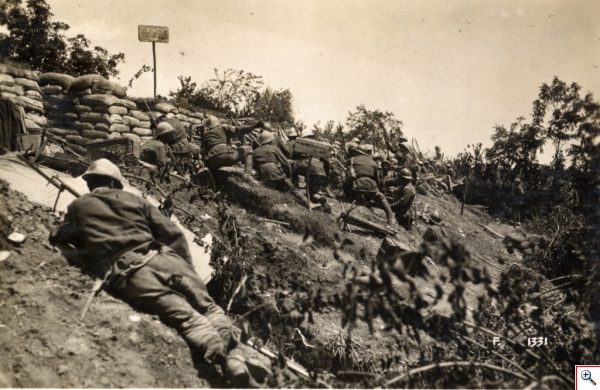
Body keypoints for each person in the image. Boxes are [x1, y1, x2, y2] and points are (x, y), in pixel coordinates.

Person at [49, 159, 260, 386]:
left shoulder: (79, 206)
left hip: (133, 273)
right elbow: (173, 234)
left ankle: (224, 362)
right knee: (209, 309)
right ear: (114, 183)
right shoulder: (133, 199)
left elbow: (59, 236)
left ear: (90, 183)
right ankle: (237, 356)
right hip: (166, 261)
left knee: (189, 321)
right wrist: (186, 269)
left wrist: (61, 227)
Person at [253, 131, 310, 207]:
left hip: (262, 175)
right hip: (274, 172)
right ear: (271, 140)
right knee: (292, 188)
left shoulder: (255, 151)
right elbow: (286, 162)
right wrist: (288, 175)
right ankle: (308, 203)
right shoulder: (274, 148)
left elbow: (254, 166)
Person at [343, 143, 394, 224]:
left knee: (347, 180)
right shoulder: (373, 163)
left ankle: (353, 196)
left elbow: (345, 169)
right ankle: (390, 215)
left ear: (357, 152)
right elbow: (377, 180)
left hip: (355, 185)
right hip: (371, 186)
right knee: (382, 197)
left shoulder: (352, 160)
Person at [201, 115, 262, 183]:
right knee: (248, 149)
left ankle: (211, 173)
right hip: (225, 153)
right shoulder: (222, 128)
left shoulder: (205, 135)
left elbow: (204, 152)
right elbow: (239, 129)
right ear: (217, 123)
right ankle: (247, 175)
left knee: (213, 166)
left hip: (212, 159)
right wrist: (255, 126)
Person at [291, 128, 332, 212]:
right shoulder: (319, 145)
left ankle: (294, 185)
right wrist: (326, 177)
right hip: (319, 170)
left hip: (305, 166)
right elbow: (327, 161)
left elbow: (293, 156)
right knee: (312, 190)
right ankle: (318, 197)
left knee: (292, 165)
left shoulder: (300, 143)